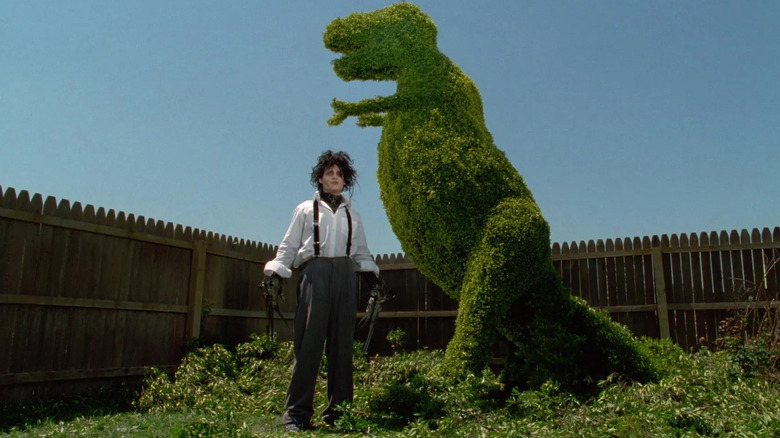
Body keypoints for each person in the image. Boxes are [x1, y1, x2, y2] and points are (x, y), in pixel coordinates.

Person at [263, 150, 381, 433]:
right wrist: (276, 273)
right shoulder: (304, 209)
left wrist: (373, 279)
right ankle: (296, 414)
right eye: (330, 173)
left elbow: (361, 252)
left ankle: (340, 414)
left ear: (345, 180)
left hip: (344, 276)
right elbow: (289, 246)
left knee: (342, 348)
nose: (335, 177)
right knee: (308, 346)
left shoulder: (353, 215)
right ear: (320, 178)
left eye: (339, 174)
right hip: (314, 274)